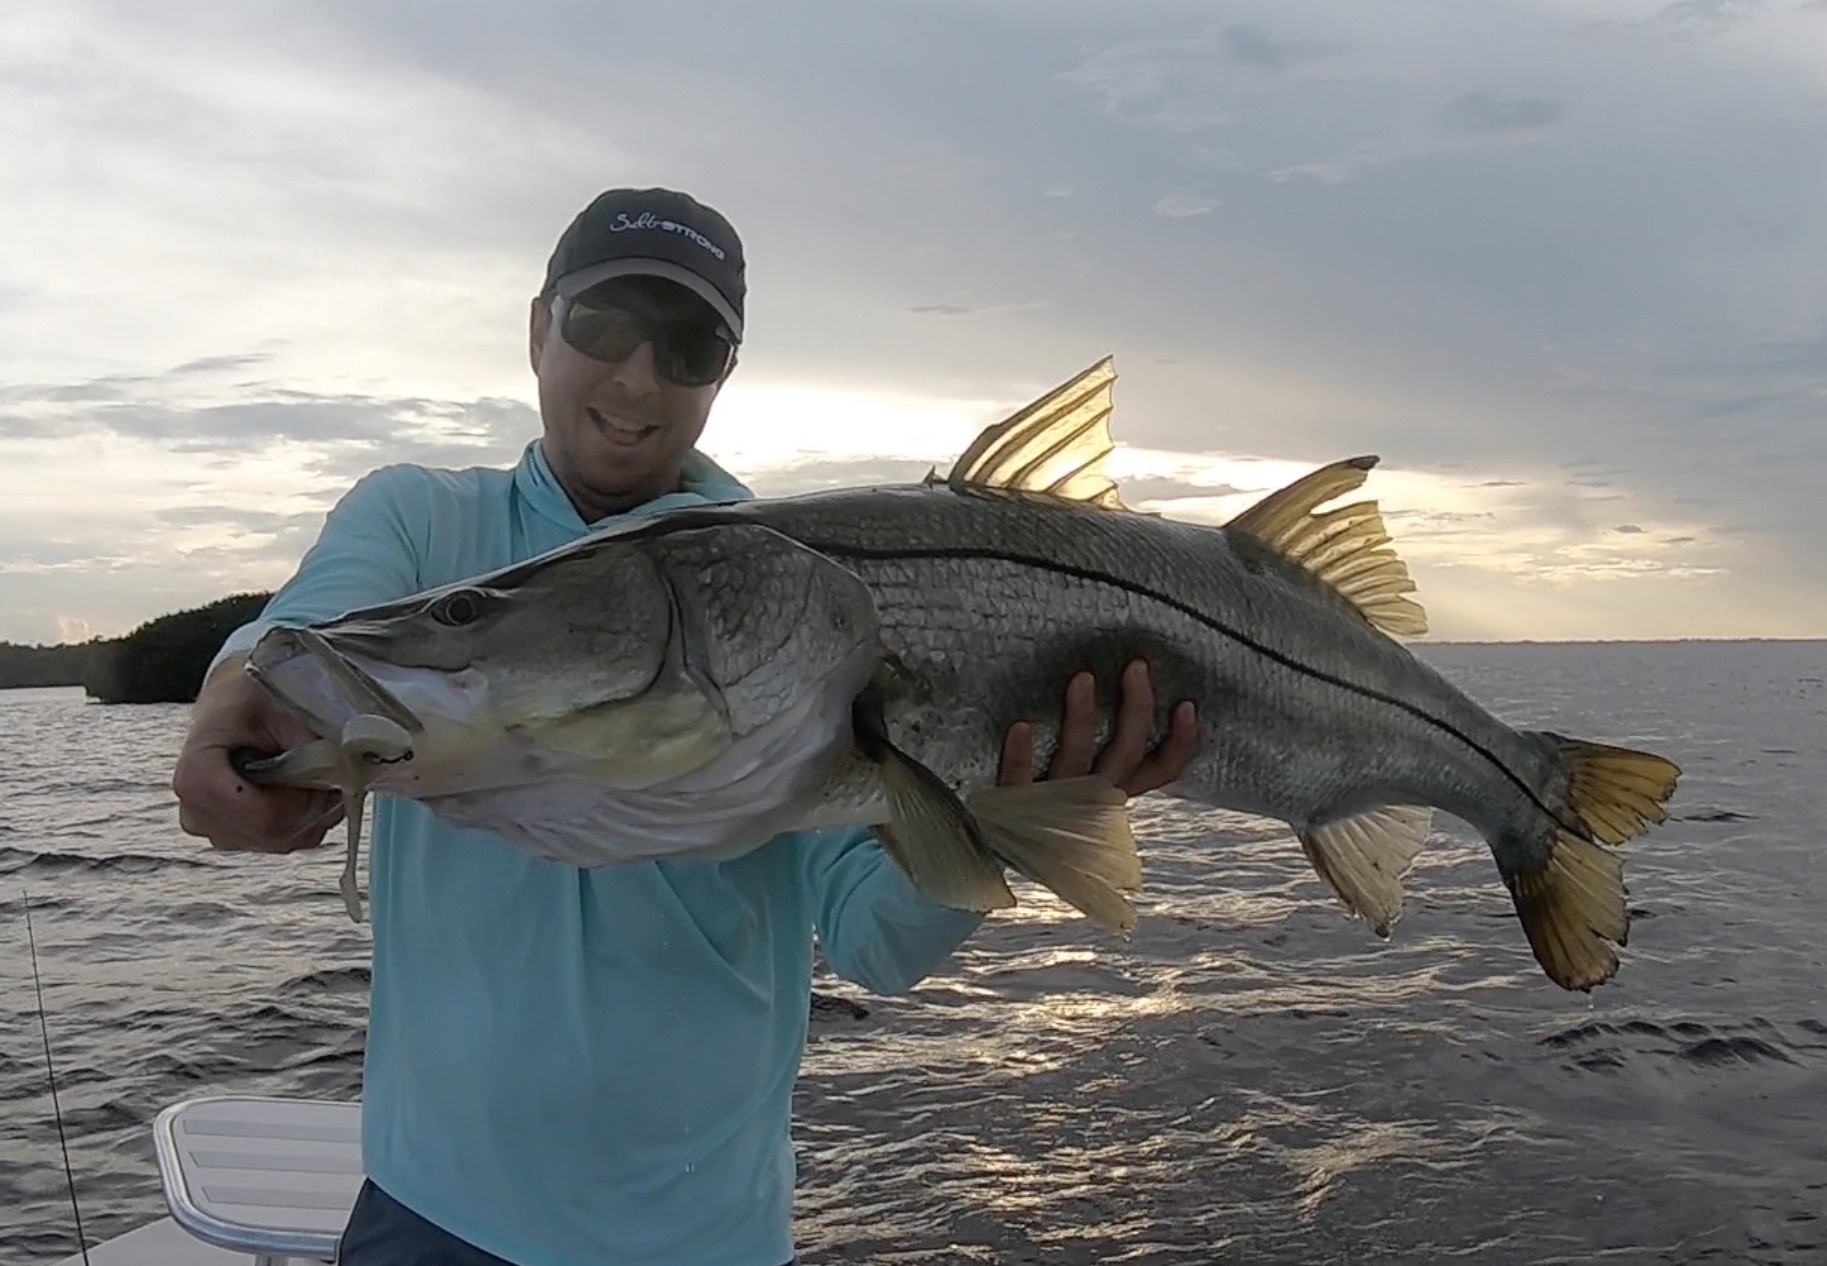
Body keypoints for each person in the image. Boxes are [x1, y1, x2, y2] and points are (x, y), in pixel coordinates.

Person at [171, 186, 1199, 1266]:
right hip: (430, 1217)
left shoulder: (792, 607)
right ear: (537, 328)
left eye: (689, 344)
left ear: (724, 374)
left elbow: (877, 944)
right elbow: (310, 628)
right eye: (603, 326)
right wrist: (232, 702)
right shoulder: (422, 522)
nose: (636, 378)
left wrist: (1020, 812)